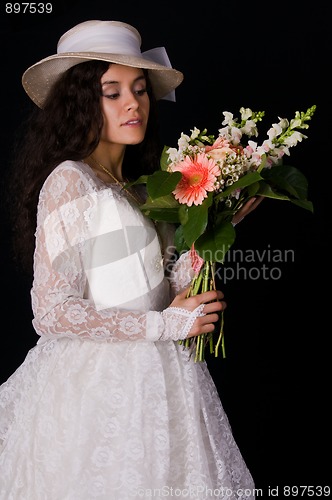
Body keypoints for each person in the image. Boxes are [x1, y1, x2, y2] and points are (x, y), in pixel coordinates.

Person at [0, 20, 260, 499]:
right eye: (112, 91)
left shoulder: (144, 188)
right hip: (100, 388)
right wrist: (165, 327)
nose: (133, 103)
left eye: (139, 90)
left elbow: (164, 285)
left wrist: (217, 222)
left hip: (163, 381)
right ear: (82, 102)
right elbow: (52, 309)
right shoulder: (70, 180)